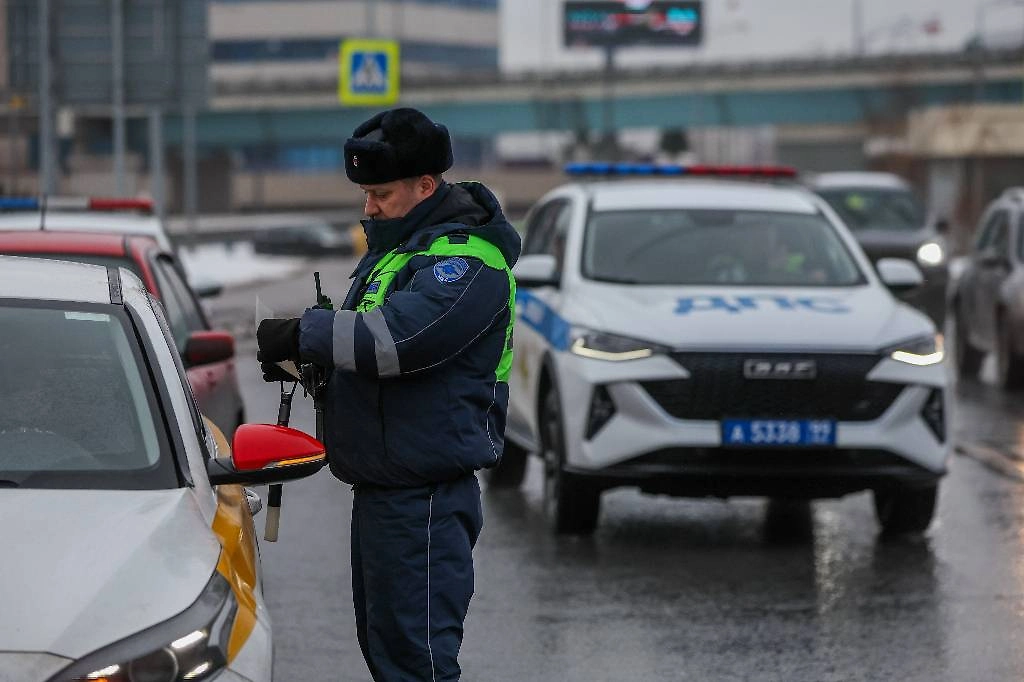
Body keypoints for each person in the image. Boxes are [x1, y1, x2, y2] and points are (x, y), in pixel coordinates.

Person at [255, 107, 521, 681]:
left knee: (416, 661)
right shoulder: (398, 251)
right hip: (385, 488)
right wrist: (307, 358)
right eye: (365, 194)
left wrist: (307, 332)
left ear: (426, 186)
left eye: (380, 194)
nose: (368, 207)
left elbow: (398, 341)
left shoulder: (466, 259)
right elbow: (370, 357)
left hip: (423, 496)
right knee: (389, 653)